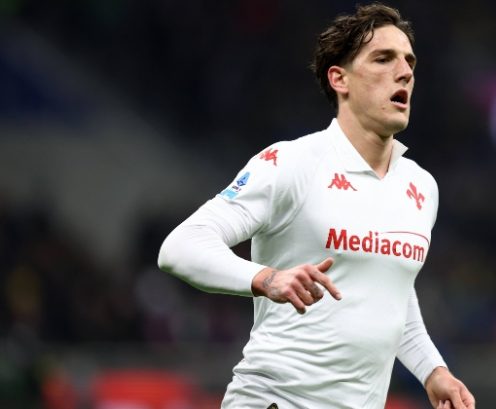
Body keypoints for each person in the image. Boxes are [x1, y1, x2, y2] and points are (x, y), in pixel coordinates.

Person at [158, 3, 475, 409]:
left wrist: (433, 370)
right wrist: (266, 278)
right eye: (383, 59)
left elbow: (389, 289)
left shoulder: (420, 186)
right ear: (340, 79)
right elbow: (180, 247)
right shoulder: (292, 163)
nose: (404, 72)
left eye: (409, 61)